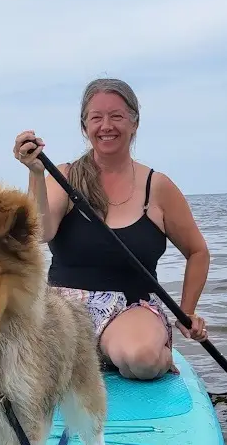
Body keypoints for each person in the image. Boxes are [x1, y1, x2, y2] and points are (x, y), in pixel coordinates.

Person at [13, 77, 210, 381]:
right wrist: (36, 175)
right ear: (84, 127)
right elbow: (41, 232)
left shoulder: (158, 187)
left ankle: (154, 349)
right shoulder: (63, 177)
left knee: (141, 360)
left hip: (131, 309)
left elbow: (197, 252)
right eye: (96, 117)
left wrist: (187, 312)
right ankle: (97, 355)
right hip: (63, 312)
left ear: (134, 123)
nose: (106, 126)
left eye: (117, 116)